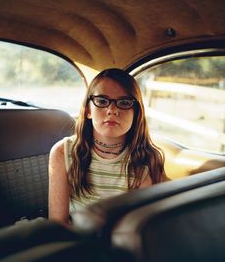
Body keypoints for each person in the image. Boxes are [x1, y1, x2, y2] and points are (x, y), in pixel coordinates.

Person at [48, 68, 166, 226]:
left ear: (135, 112)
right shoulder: (63, 152)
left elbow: (146, 222)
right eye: (102, 101)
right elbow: (58, 224)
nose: (112, 110)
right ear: (88, 110)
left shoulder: (148, 158)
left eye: (124, 103)